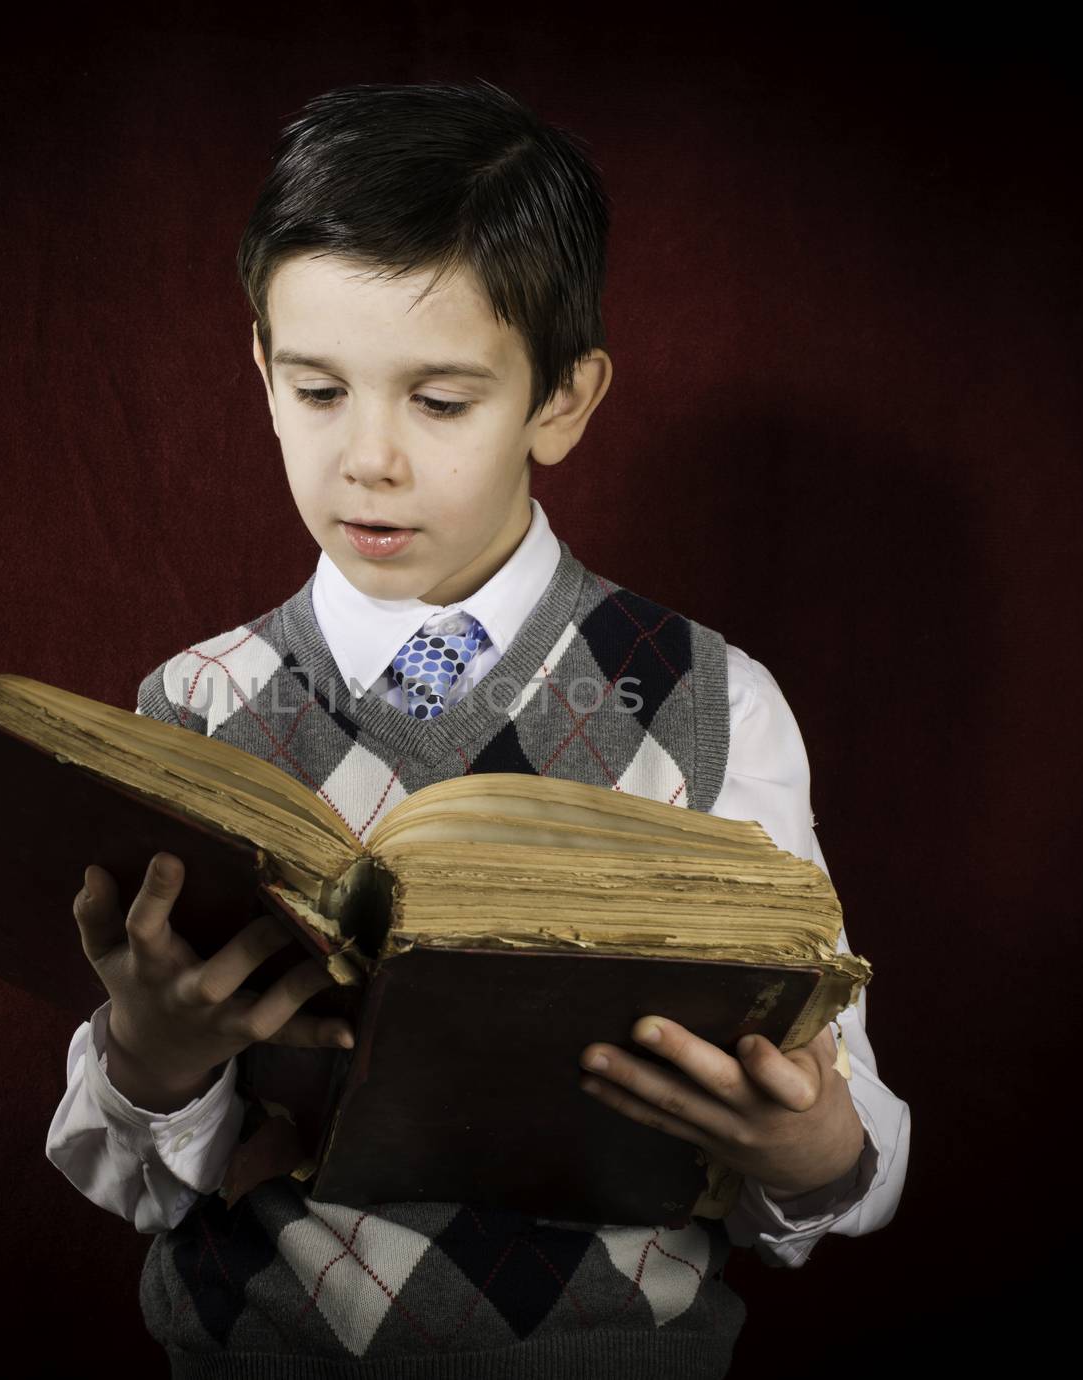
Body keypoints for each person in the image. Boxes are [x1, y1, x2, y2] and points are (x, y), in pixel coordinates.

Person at [47, 79, 910, 1378]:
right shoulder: (196, 705)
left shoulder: (709, 701)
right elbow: (127, 1173)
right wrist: (153, 1060)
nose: (368, 458)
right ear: (262, 374)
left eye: (440, 402)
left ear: (560, 400)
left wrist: (811, 1152)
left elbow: (857, 1131)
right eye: (318, 389)